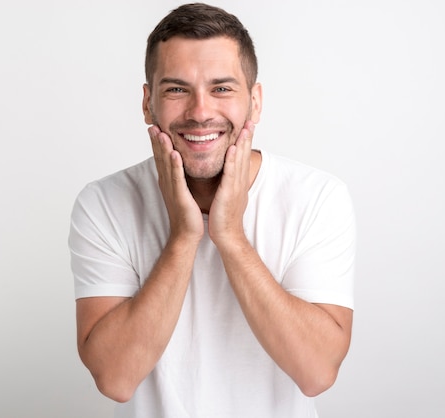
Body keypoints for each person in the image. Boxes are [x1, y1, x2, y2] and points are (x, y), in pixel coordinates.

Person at [69, 3, 356, 417]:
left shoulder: (317, 197)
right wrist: (185, 236)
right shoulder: (104, 203)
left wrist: (231, 238)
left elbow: (317, 372)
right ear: (148, 102)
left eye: (221, 88)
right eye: (176, 89)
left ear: (255, 102)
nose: (200, 112)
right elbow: (115, 378)